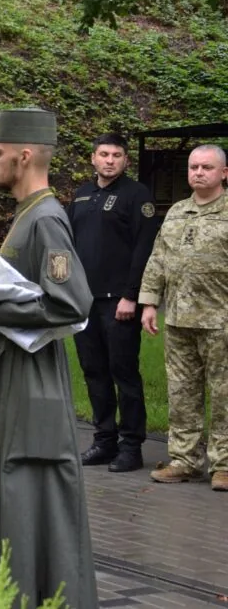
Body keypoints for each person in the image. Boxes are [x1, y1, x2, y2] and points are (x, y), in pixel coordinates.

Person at [0, 107, 97, 608]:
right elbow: (29, 295)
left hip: (35, 382)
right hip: (16, 372)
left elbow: (71, 303)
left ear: (25, 156)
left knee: (30, 490)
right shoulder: (27, 214)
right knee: (10, 485)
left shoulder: (47, 218)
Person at [67, 133, 159, 472]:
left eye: (116, 155)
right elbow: (68, 245)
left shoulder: (137, 195)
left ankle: (131, 447)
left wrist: (131, 296)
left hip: (119, 304)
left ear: (125, 160)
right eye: (103, 154)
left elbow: (144, 248)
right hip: (85, 301)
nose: (109, 160)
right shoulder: (81, 196)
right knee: (94, 372)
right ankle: (104, 441)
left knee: (124, 374)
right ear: (93, 158)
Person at [140, 144, 228, 492]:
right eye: (194, 167)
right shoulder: (177, 212)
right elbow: (158, 259)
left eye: (207, 167)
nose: (198, 172)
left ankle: (224, 465)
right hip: (178, 320)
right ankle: (184, 460)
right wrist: (150, 303)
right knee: (181, 393)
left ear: (224, 173)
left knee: (224, 396)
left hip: (220, 321)